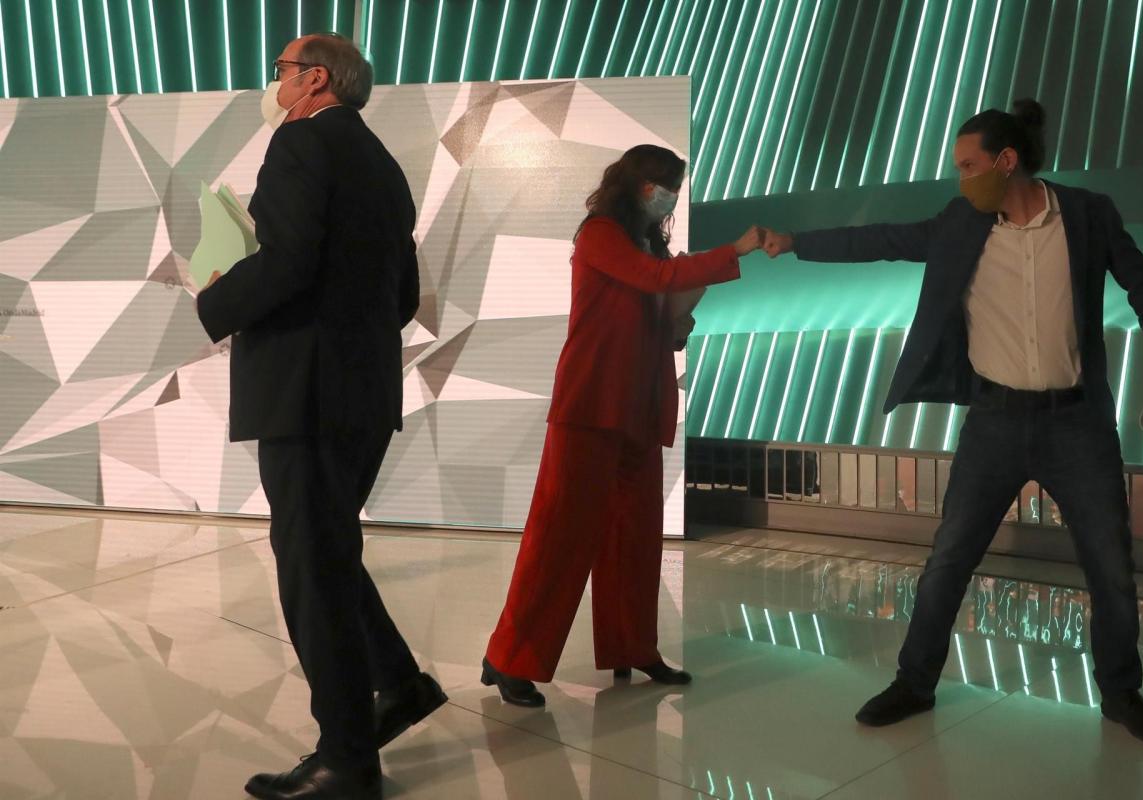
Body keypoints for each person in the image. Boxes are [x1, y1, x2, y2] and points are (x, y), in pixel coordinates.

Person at [761, 99, 1143, 745]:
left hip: (1077, 422)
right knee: (950, 559)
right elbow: (880, 240)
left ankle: (1122, 694)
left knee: (1111, 567)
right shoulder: (961, 222)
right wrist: (796, 243)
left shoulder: (1086, 214)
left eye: (968, 165)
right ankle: (914, 683)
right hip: (995, 421)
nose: (961, 178)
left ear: (1006, 161)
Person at [197, 34, 444, 800]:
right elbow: (402, 295)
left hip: (304, 392)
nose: (271, 84)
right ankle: (399, 685)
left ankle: (346, 759)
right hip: (363, 392)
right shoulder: (381, 162)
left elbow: (290, 259)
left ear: (314, 79)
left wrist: (216, 298)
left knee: (312, 568)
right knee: (329, 552)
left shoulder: (301, 143)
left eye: (278, 70)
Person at [481, 145, 763, 706]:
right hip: (590, 403)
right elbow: (653, 279)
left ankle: (632, 647)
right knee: (559, 536)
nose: (670, 197)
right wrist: (734, 251)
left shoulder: (645, 239)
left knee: (635, 537)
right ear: (637, 185)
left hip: (637, 403)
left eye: (675, 187)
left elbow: (655, 294)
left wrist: (675, 327)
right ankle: (509, 658)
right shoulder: (600, 234)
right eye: (664, 186)